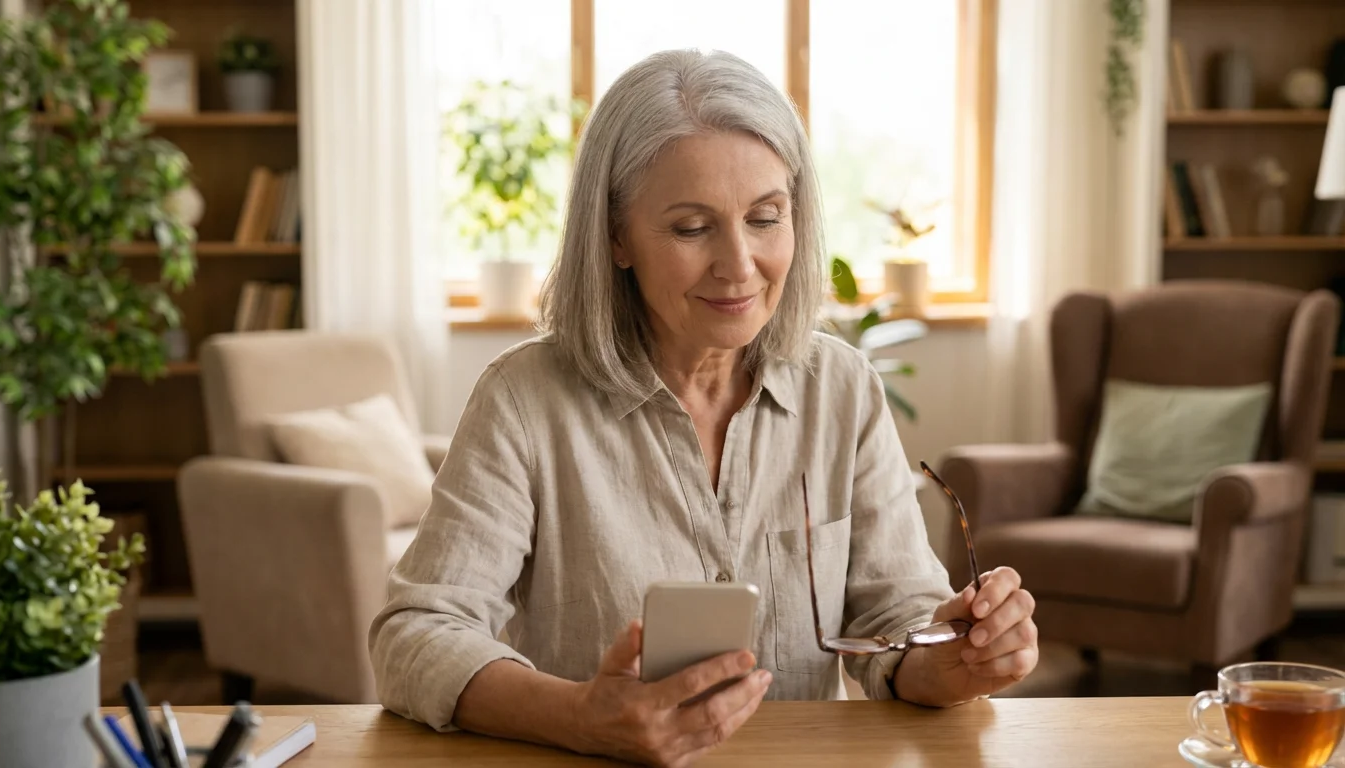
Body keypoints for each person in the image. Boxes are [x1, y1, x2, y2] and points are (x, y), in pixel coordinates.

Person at [369, 49, 1038, 767]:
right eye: (692, 228)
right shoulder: (524, 401)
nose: (740, 265)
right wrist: (578, 717)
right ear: (616, 236)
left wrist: (955, 660)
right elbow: (417, 633)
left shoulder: (842, 388)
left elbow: (895, 622)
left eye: (765, 218)